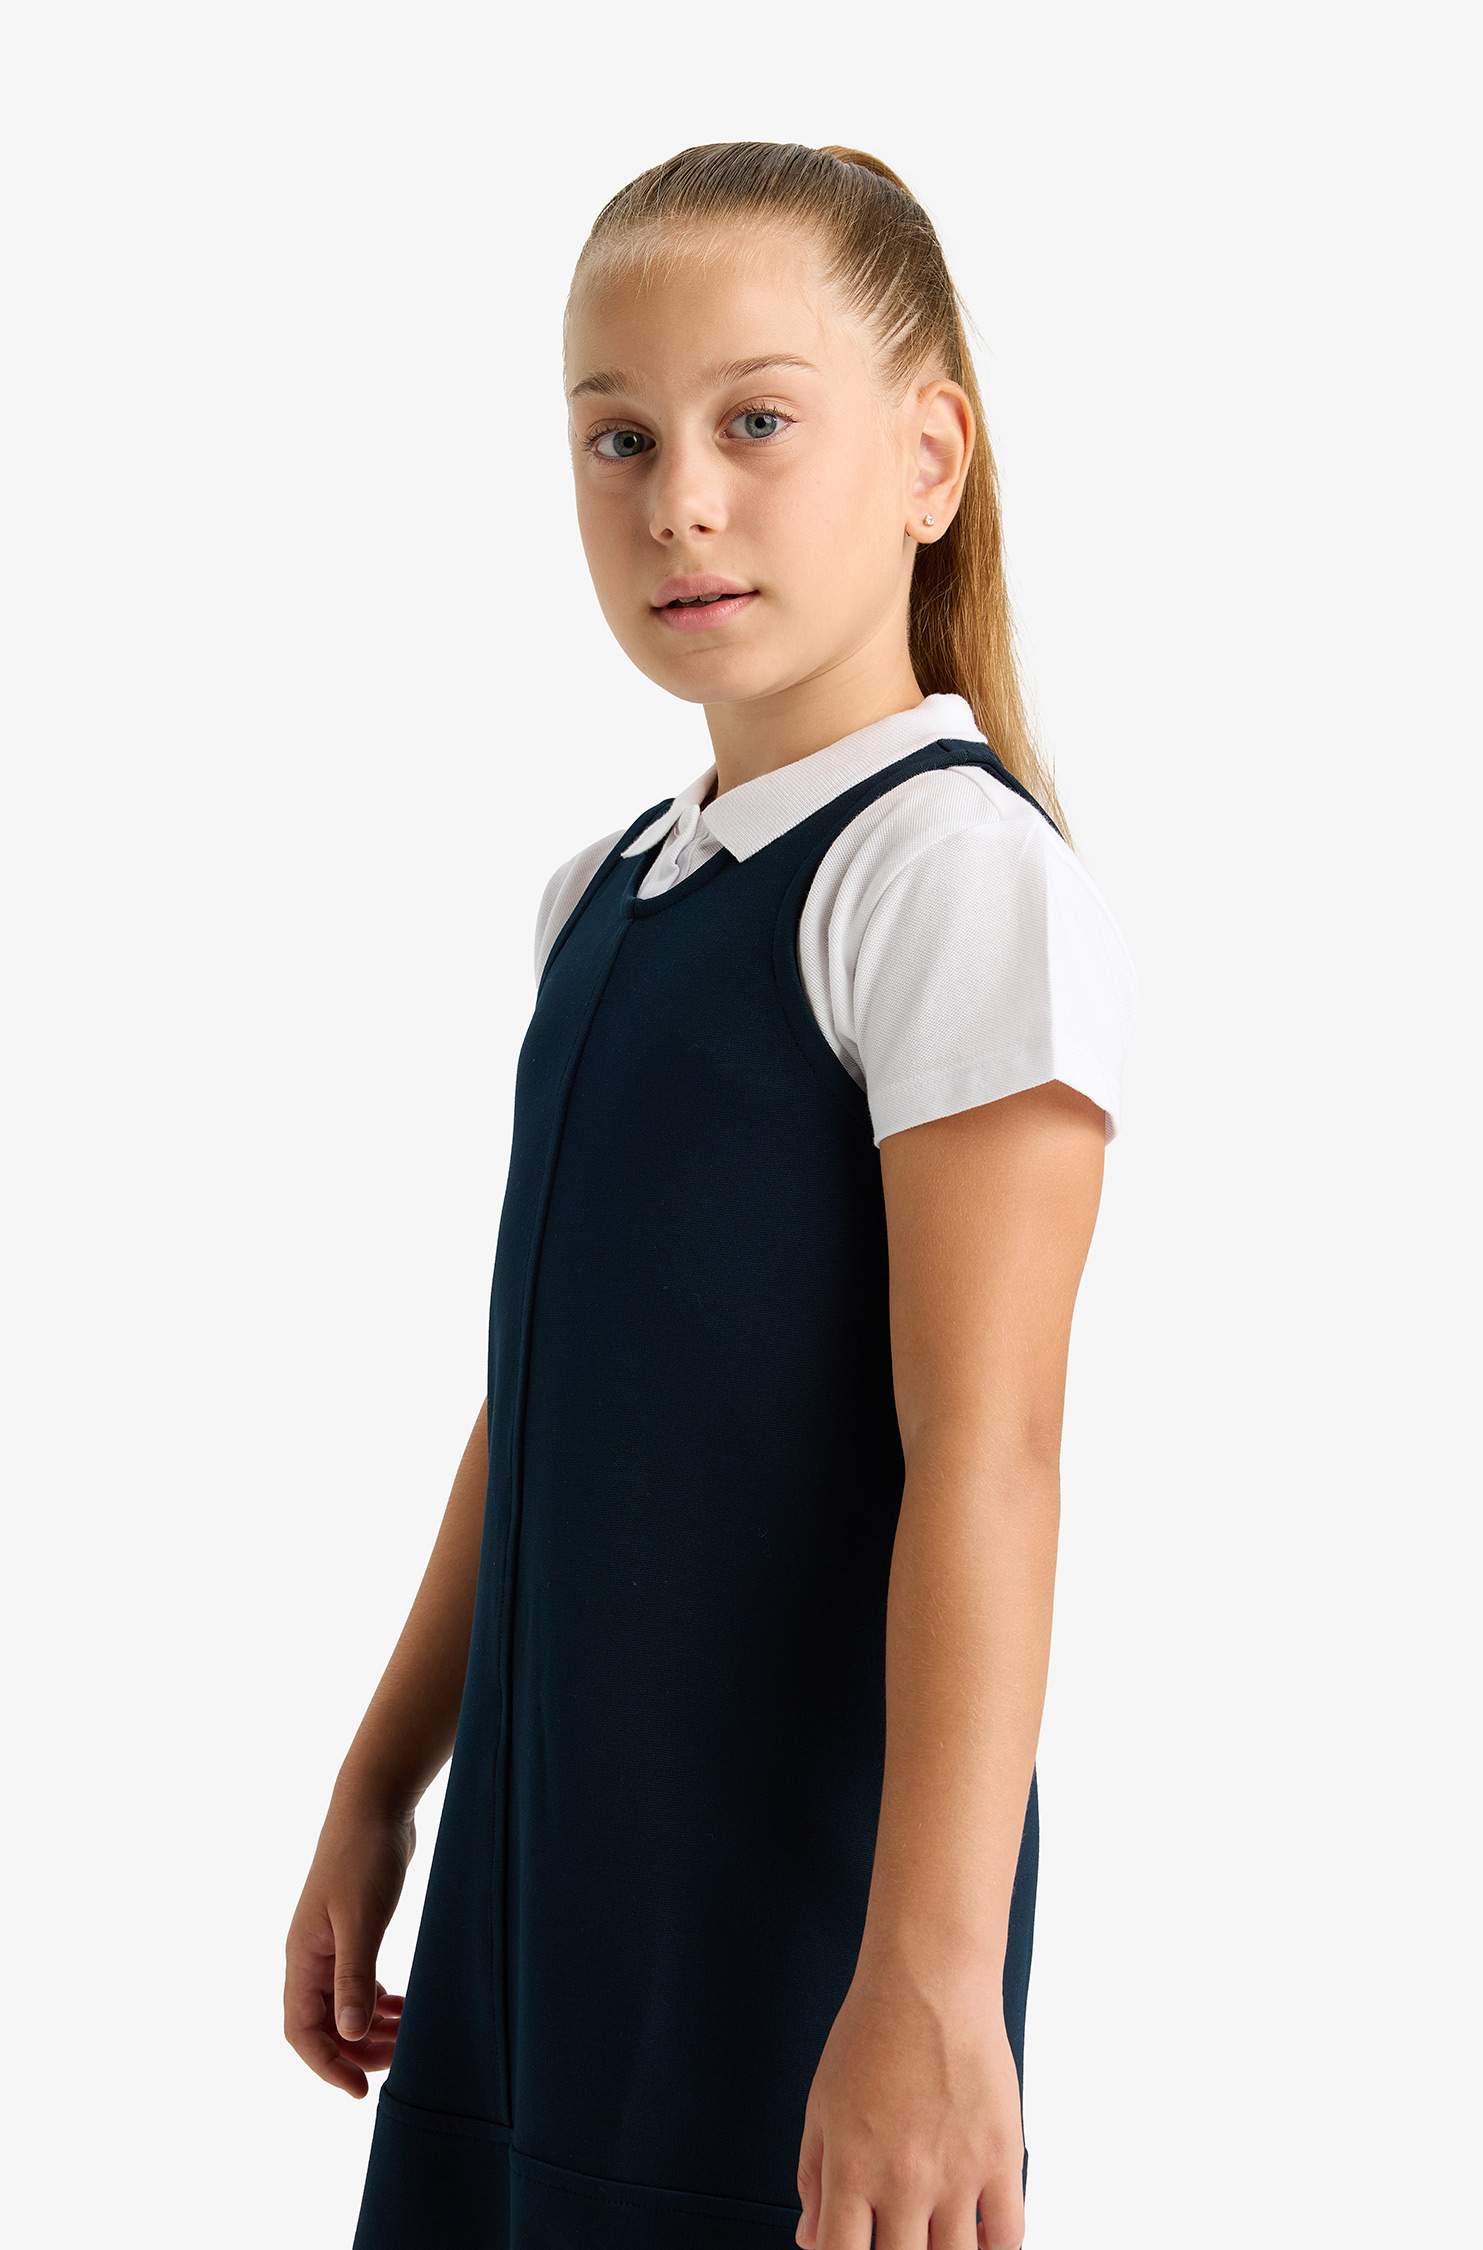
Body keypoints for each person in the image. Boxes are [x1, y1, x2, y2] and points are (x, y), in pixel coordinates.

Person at [285, 139, 1138, 2250]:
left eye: (757, 422)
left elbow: (992, 1455)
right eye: (620, 438)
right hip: (545, 1904)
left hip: (786, 1929)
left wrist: (933, 1979)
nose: (679, 499)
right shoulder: (608, 892)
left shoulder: (944, 878)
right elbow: (545, 1396)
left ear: (928, 455)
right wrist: (383, 1778)